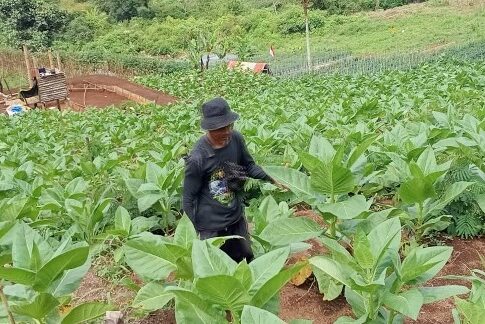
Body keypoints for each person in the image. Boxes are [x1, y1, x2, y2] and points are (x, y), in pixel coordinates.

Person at [182, 97, 282, 263]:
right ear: (209, 129)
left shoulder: (235, 138)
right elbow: (188, 199)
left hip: (235, 218)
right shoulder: (198, 158)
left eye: (229, 125)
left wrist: (272, 178)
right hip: (210, 227)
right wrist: (194, 231)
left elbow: (249, 166)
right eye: (221, 128)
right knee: (216, 271)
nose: (227, 131)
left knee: (246, 261)